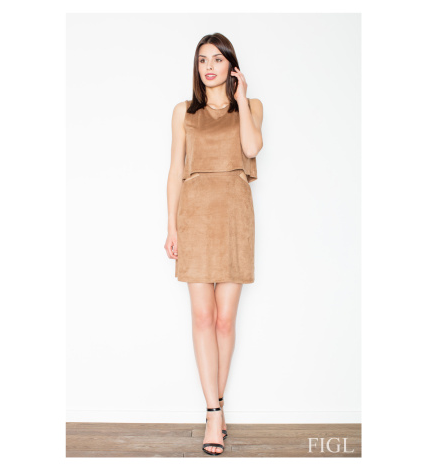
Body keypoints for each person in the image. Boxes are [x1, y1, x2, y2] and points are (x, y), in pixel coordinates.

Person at [164, 32, 263, 456]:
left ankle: (217, 406)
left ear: (231, 66)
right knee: (203, 317)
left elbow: (252, 147)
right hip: (196, 216)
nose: (209, 66)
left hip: (235, 215)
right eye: (203, 59)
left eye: (217, 59)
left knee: (225, 321)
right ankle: (213, 413)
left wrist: (241, 98)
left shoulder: (251, 107)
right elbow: (175, 171)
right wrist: (172, 226)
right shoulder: (183, 112)